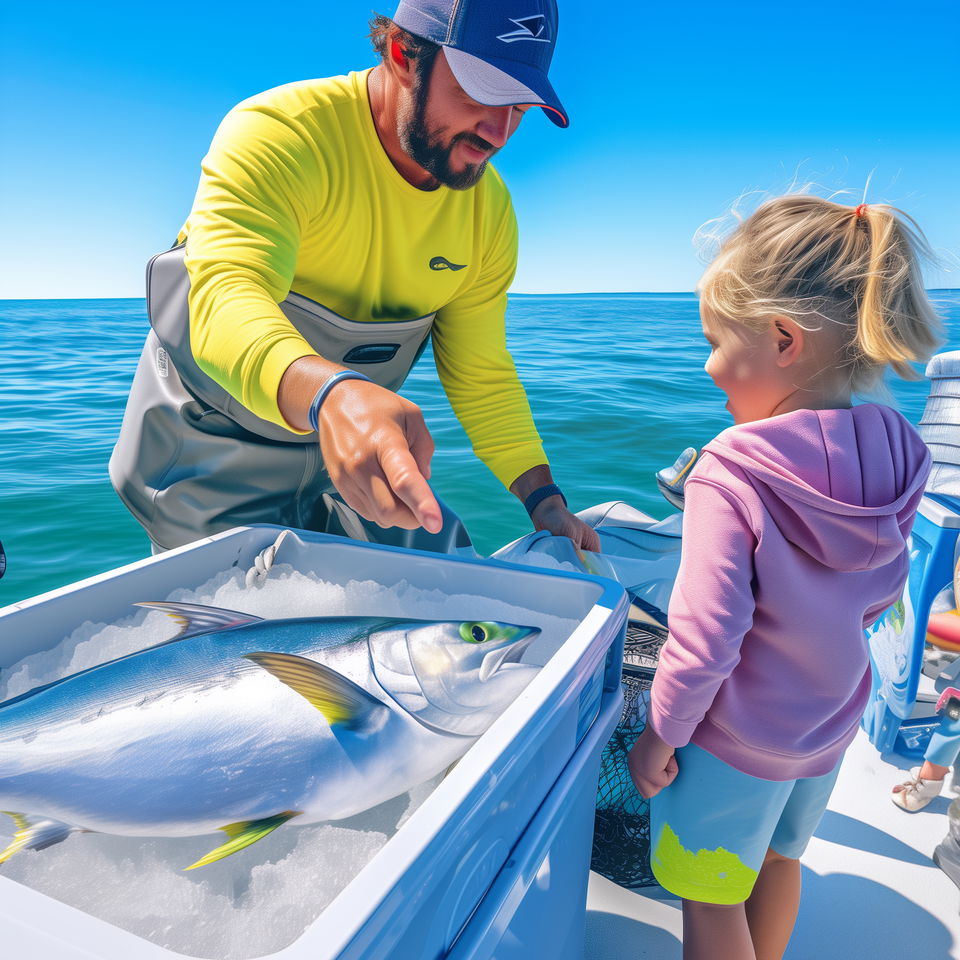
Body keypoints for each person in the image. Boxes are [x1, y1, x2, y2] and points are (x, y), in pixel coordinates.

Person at [109, 0, 599, 554]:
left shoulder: (489, 214)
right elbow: (224, 298)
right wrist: (333, 397)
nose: (499, 131)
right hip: (203, 465)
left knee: (453, 569)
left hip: (342, 470)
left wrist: (546, 503)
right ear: (402, 54)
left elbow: (482, 376)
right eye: (481, 91)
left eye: (520, 105)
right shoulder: (280, 134)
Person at [626, 195, 942, 960]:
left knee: (709, 895)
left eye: (713, 341)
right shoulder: (902, 449)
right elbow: (881, 592)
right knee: (779, 860)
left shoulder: (730, 470)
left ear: (781, 338)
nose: (706, 366)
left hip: (736, 738)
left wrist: (659, 736)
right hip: (830, 724)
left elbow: (705, 639)